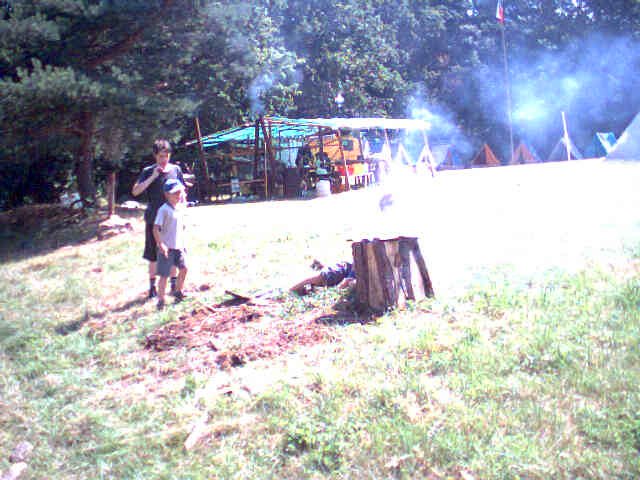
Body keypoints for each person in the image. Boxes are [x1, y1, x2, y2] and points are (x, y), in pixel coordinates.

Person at [132, 139, 185, 298]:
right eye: (161, 156)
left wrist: (183, 213)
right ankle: (152, 288)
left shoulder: (176, 169)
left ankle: (173, 285)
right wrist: (153, 176)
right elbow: (135, 191)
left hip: (172, 219)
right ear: (155, 155)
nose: (164, 159)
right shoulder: (148, 171)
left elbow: (182, 193)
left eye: (166, 156)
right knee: (153, 254)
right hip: (154, 219)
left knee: (174, 250)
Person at [153, 179, 189, 309]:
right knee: (164, 275)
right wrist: (161, 244)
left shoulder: (179, 208)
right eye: (175, 193)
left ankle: (178, 291)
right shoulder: (164, 210)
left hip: (179, 246)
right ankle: (161, 300)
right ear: (167, 194)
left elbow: (180, 228)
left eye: (180, 192)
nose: (178, 195)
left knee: (184, 269)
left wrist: (183, 244)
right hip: (167, 248)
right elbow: (155, 229)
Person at [290, 261, 355, 296]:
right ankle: (291, 289)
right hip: (346, 270)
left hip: (353, 276)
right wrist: (350, 277)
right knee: (321, 278)